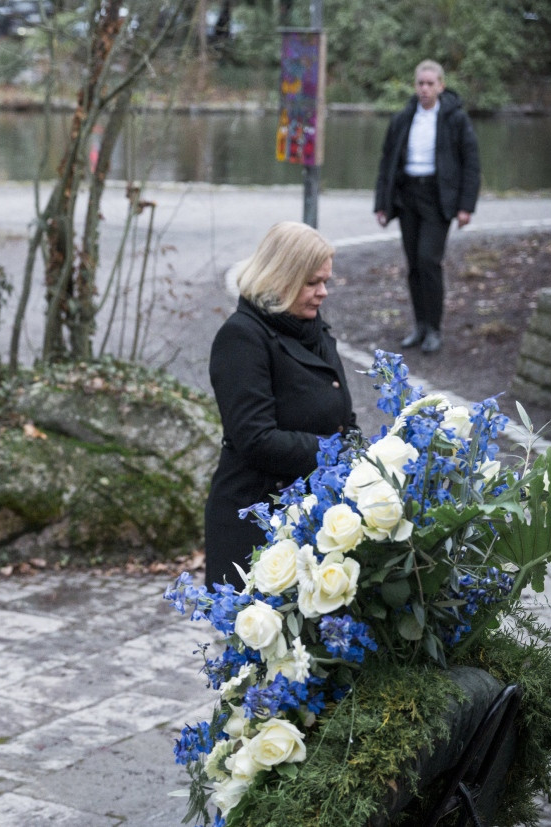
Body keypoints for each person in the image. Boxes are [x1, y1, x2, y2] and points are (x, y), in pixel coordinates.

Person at [204, 221, 358, 589]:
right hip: (255, 524)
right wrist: (336, 454)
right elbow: (255, 438)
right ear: (282, 277)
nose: (322, 293)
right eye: (312, 283)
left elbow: (342, 416)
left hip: (312, 519)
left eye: (326, 281)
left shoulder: (314, 329)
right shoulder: (241, 337)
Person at [374, 59, 481, 355]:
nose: (424, 88)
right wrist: (382, 204)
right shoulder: (404, 118)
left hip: (438, 197)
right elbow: (387, 162)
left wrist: (465, 207)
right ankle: (420, 325)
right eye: (420, 83)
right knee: (413, 264)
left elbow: (471, 164)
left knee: (428, 260)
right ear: (415, 85)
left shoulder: (455, 119)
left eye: (430, 83)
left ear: (441, 86)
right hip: (408, 195)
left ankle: (434, 328)